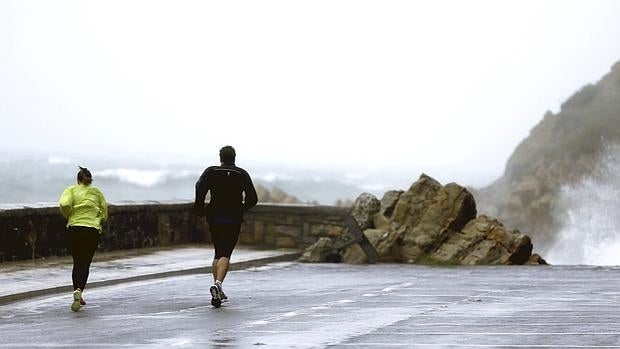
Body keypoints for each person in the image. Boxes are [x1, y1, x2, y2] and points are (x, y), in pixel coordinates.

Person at [195, 146, 258, 307]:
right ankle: (218, 284)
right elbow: (253, 198)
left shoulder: (211, 171)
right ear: (234, 158)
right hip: (233, 218)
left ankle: (217, 294)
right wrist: (241, 207)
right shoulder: (241, 173)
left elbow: (199, 187)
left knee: (218, 252)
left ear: (221, 157)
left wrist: (200, 208)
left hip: (214, 216)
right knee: (225, 253)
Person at [59, 166, 108, 312]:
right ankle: (79, 291)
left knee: (77, 262)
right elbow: (104, 212)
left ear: (77, 180)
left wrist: (69, 215)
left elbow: (64, 204)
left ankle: (77, 292)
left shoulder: (71, 190)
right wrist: (99, 220)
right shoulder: (97, 192)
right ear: (90, 180)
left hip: (75, 229)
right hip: (91, 230)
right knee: (85, 263)